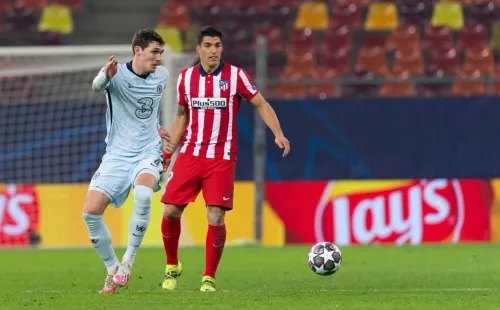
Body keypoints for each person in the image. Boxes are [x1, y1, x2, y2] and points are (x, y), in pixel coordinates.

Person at [160, 26, 290, 292]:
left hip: (221, 157)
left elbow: (261, 104)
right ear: (199, 49)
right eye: (208, 45)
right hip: (190, 154)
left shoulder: (236, 76)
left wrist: (278, 133)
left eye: (217, 45)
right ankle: (172, 265)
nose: (213, 51)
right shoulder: (185, 78)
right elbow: (181, 116)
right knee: (171, 211)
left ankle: (209, 277)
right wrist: (168, 152)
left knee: (216, 215)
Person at [82, 28, 170, 294]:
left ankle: (128, 263)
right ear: (138, 50)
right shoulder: (115, 72)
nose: (158, 58)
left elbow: (149, 112)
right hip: (117, 154)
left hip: (147, 152)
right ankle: (112, 268)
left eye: (161, 53)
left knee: (143, 195)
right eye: (154, 52)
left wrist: (157, 127)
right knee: (90, 212)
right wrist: (104, 76)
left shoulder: (162, 76)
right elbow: (97, 86)